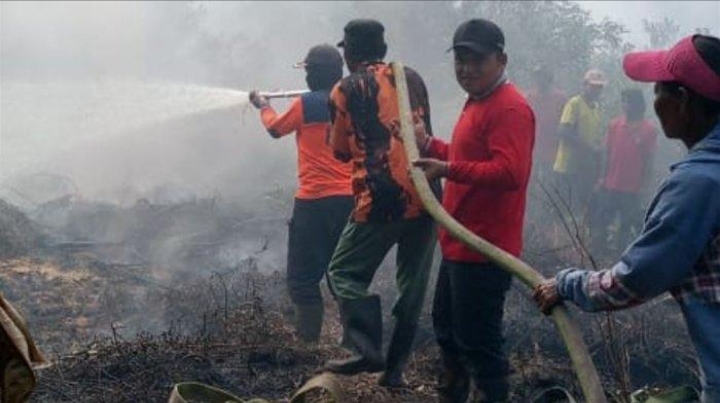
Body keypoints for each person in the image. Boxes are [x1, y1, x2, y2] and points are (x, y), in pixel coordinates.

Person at [534, 34, 720, 403]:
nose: (655, 102)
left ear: (682, 101)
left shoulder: (699, 183)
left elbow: (633, 280)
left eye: (659, 91)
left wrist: (567, 283)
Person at [414, 19, 535, 402]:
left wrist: (448, 170)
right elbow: (470, 158)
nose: (466, 69)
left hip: (485, 247)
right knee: (449, 332)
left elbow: (510, 172)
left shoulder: (510, 107)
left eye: (476, 61)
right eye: (460, 60)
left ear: (501, 59)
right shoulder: (479, 100)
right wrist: (430, 144)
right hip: (459, 242)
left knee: (479, 344)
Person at [322, 19, 438, 388]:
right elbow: (426, 135)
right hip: (427, 194)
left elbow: (340, 151)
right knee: (412, 289)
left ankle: (365, 346)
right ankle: (394, 374)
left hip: (382, 197)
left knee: (342, 273)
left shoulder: (345, 88)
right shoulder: (412, 78)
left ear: (350, 53)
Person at [248, 44, 353, 343]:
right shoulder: (351, 103)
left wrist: (263, 106)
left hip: (314, 202)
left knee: (303, 280)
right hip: (350, 201)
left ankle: (308, 345)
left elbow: (275, 129)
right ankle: (354, 346)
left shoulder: (305, 105)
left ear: (312, 74)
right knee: (343, 275)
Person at [590, 88, 657, 253]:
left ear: (637, 105)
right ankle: (598, 252)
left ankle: (621, 255)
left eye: (627, 101)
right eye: (623, 101)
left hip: (632, 186)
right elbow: (607, 153)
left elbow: (648, 160)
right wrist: (601, 178)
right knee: (602, 219)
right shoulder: (615, 125)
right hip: (611, 183)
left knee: (626, 224)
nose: (624, 105)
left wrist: (645, 185)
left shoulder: (649, 129)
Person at [553, 68, 606, 220]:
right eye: (594, 86)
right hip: (567, 167)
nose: (597, 90)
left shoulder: (596, 108)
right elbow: (564, 130)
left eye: (599, 87)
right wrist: (589, 147)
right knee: (564, 209)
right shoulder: (575, 103)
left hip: (582, 168)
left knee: (578, 209)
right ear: (585, 85)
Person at [526, 64, 567, 181]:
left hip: (553, 152)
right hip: (532, 151)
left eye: (542, 76)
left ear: (549, 78)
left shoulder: (561, 98)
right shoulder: (529, 97)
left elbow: (566, 124)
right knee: (530, 184)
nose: (539, 80)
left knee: (549, 185)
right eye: (537, 76)